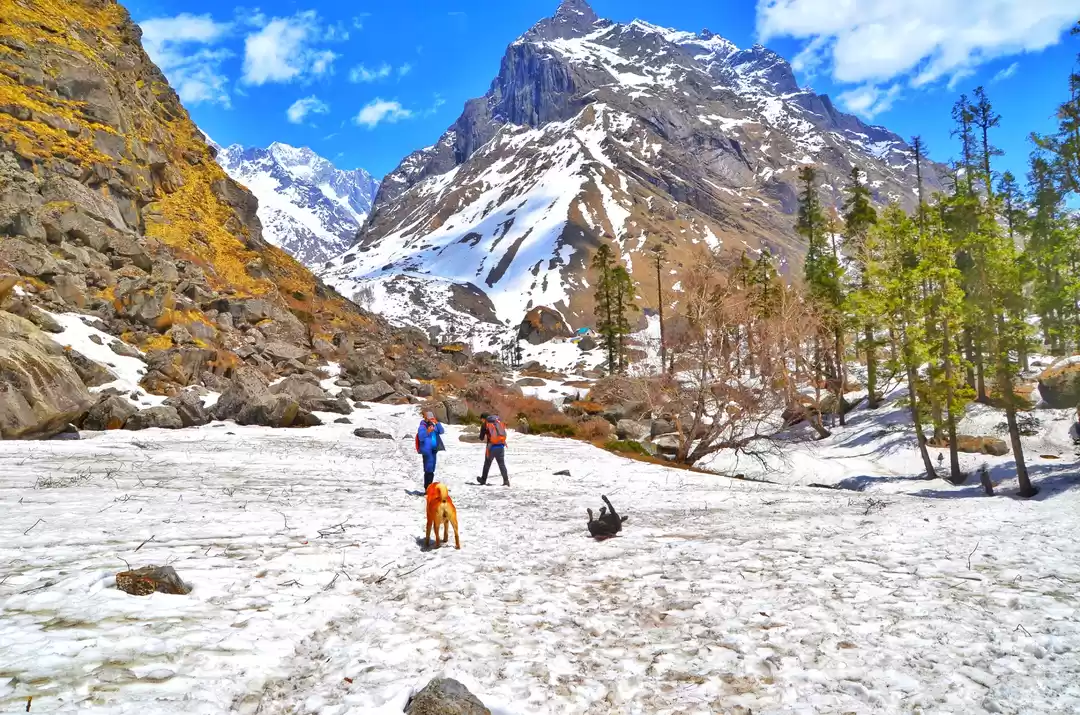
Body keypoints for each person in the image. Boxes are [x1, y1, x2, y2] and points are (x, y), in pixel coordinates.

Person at [477, 413, 509, 486]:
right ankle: (506, 481)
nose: (481, 421)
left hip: (491, 447)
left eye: (481, 419)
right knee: (501, 464)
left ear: (483, 419)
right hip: (501, 446)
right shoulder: (497, 422)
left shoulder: (485, 424)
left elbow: (481, 438)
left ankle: (483, 480)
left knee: (487, 464)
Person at [416, 411, 445, 490]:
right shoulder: (422, 426)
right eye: (430, 418)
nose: (431, 419)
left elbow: (442, 431)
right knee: (428, 470)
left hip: (434, 450)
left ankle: (430, 488)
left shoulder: (433, 425)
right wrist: (427, 431)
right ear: (426, 418)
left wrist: (437, 423)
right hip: (426, 450)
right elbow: (421, 437)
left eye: (432, 418)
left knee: (432, 469)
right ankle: (427, 488)